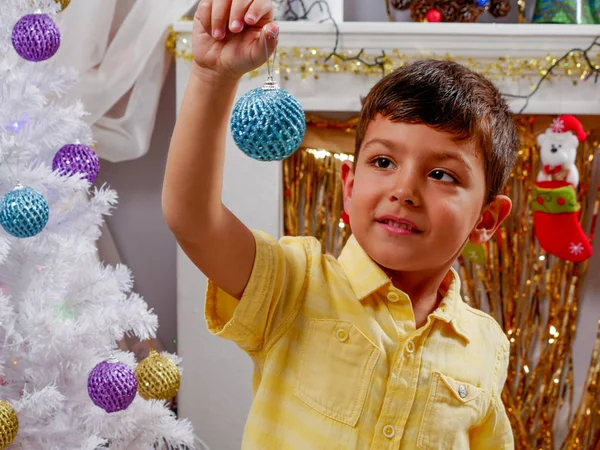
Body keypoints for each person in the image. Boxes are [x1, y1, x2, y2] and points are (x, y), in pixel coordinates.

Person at [163, 0, 518, 448]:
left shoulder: (486, 345)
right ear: (349, 186)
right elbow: (192, 218)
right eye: (384, 161)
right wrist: (213, 78)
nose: (404, 190)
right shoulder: (294, 283)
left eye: (441, 174)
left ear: (486, 219)